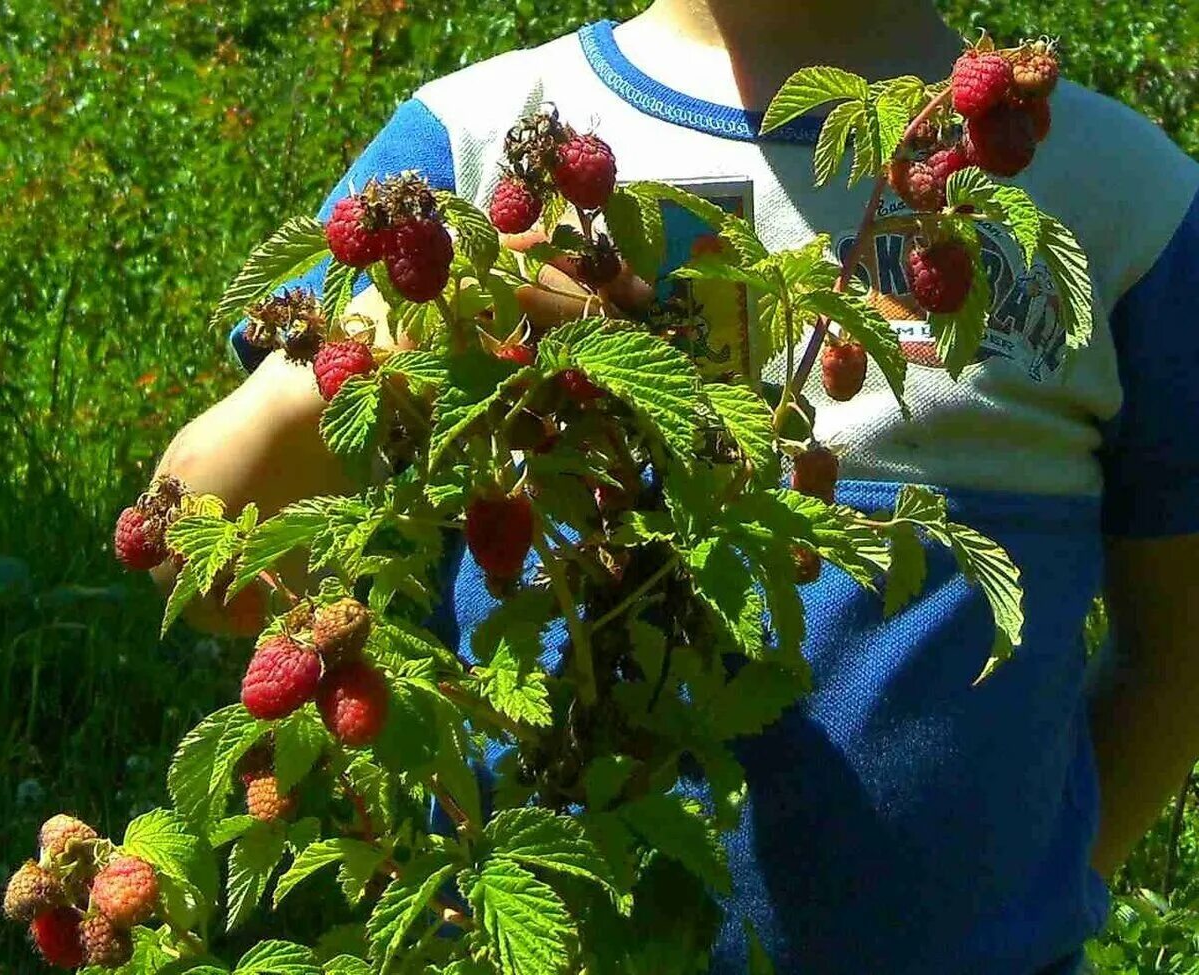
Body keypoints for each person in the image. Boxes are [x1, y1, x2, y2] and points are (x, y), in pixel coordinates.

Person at [153, 1, 1199, 972]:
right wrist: (412, 328)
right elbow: (196, 554)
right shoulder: (467, 149)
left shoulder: (1122, 202)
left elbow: (1179, 651)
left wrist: (1046, 879)